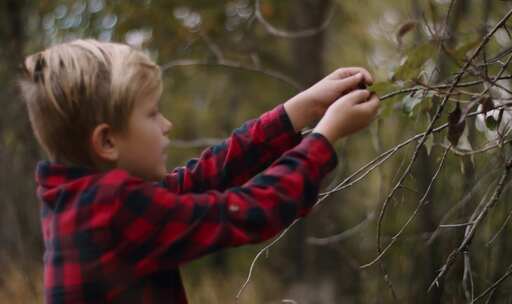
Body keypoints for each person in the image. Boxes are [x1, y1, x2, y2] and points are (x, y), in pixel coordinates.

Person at [19, 39, 379, 303]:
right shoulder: (111, 209)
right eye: (151, 114)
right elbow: (250, 212)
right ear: (107, 142)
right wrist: (324, 137)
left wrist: (301, 109)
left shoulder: (85, 203)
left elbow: (204, 176)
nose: (167, 124)